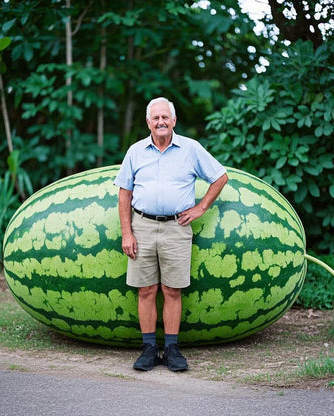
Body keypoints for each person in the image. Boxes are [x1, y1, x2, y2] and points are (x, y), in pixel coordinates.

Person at [114, 97, 228, 371]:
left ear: (174, 121)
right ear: (148, 123)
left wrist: (201, 207)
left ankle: (173, 349)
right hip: (142, 225)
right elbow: (124, 193)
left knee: (172, 290)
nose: (161, 122)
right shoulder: (135, 151)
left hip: (176, 228)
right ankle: (149, 349)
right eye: (156, 118)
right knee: (146, 290)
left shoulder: (191, 149)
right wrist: (126, 233)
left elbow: (220, 176)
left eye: (165, 117)